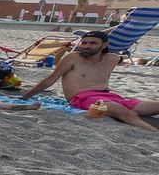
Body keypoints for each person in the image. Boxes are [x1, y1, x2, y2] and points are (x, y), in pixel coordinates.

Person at [21, 31, 158, 132]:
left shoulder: (112, 58)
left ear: (105, 45)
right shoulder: (73, 58)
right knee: (129, 114)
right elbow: (49, 80)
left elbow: (129, 60)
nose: (86, 46)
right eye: (84, 43)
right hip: (83, 97)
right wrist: (25, 97)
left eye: (92, 43)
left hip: (111, 97)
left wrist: (145, 61)